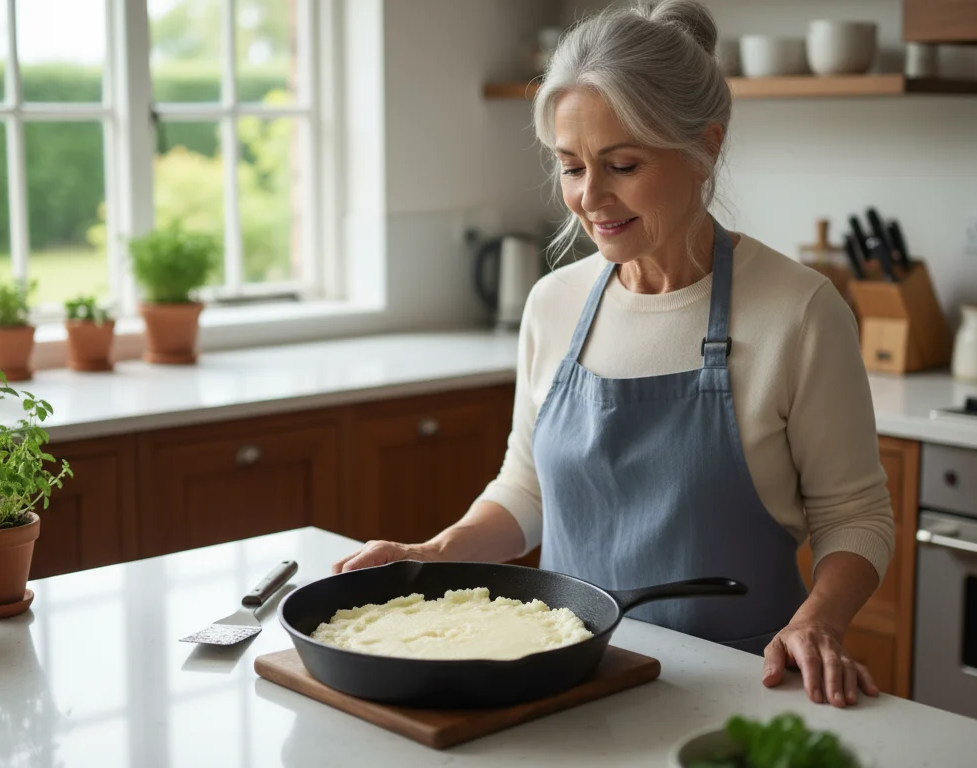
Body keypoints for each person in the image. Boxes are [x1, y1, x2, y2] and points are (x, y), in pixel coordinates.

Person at [333, 0, 895, 710]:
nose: (589, 198)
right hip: (569, 683)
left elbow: (857, 516)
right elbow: (529, 489)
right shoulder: (554, 304)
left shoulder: (800, 312)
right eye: (570, 168)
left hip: (741, 691)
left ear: (706, 147)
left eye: (621, 165)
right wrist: (433, 555)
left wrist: (818, 621)